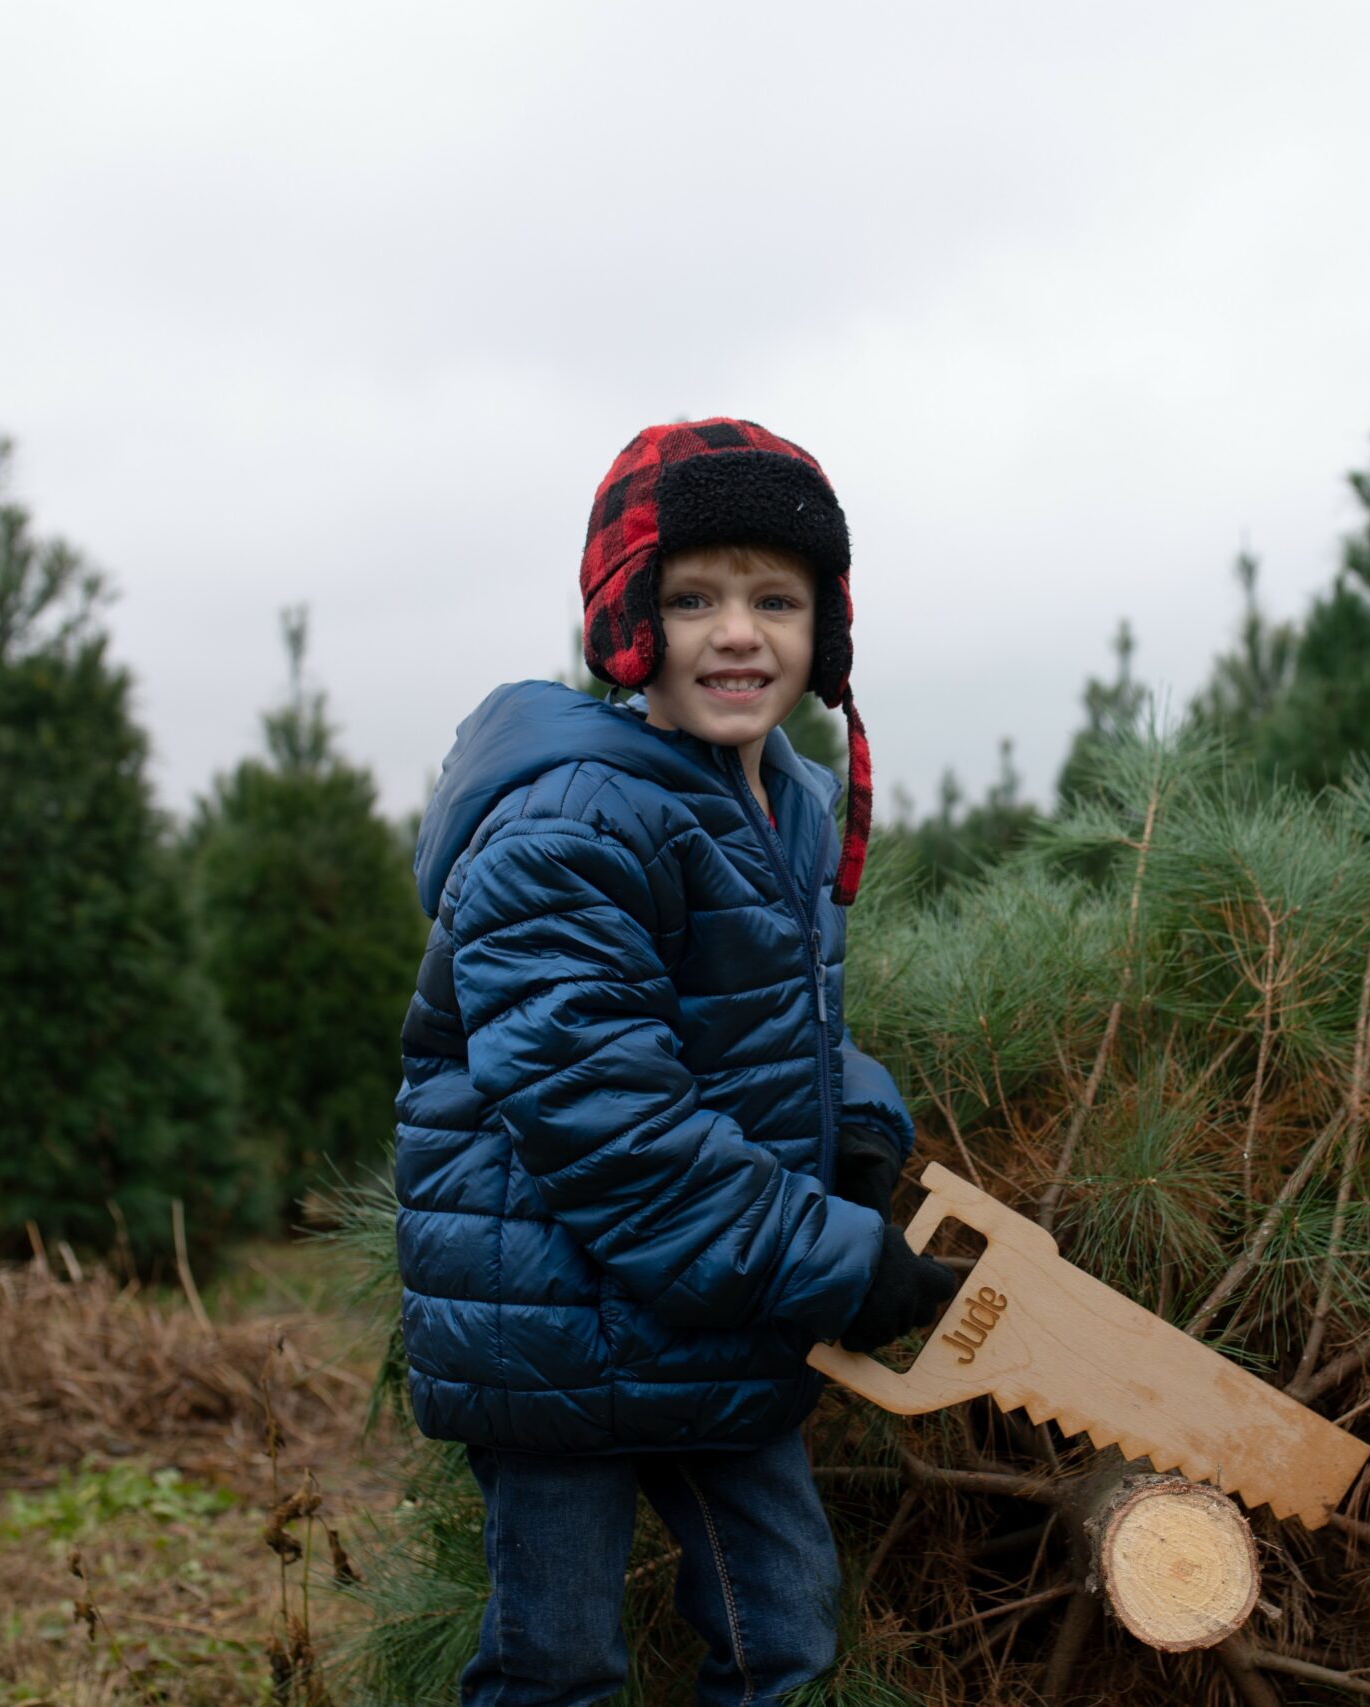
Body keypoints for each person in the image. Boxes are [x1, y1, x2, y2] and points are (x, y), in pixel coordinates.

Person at [395, 418, 960, 1705]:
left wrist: (854, 1122)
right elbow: (605, 1117)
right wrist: (831, 1257)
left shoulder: (788, 806)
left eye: (777, 598)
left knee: (783, 1645)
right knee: (561, 1665)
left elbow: (776, 1025)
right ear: (630, 626)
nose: (740, 633)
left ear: (827, 629)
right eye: (694, 598)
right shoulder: (571, 824)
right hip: (554, 1320)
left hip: (711, 1303)